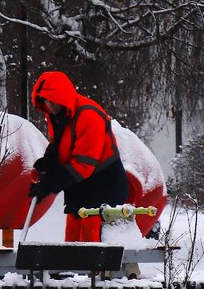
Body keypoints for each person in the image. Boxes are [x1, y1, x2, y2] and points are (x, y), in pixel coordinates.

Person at [27, 70, 129, 242]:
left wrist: (51, 184)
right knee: (73, 238)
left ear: (61, 97)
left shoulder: (89, 115)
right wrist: (49, 162)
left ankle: (93, 269)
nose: (49, 106)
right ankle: (71, 268)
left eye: (52, 100)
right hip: (79, 185)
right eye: (45, 101)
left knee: (91, 241)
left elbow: (84, 165)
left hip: (104, 184)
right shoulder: (58, 116)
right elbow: (59, 144)